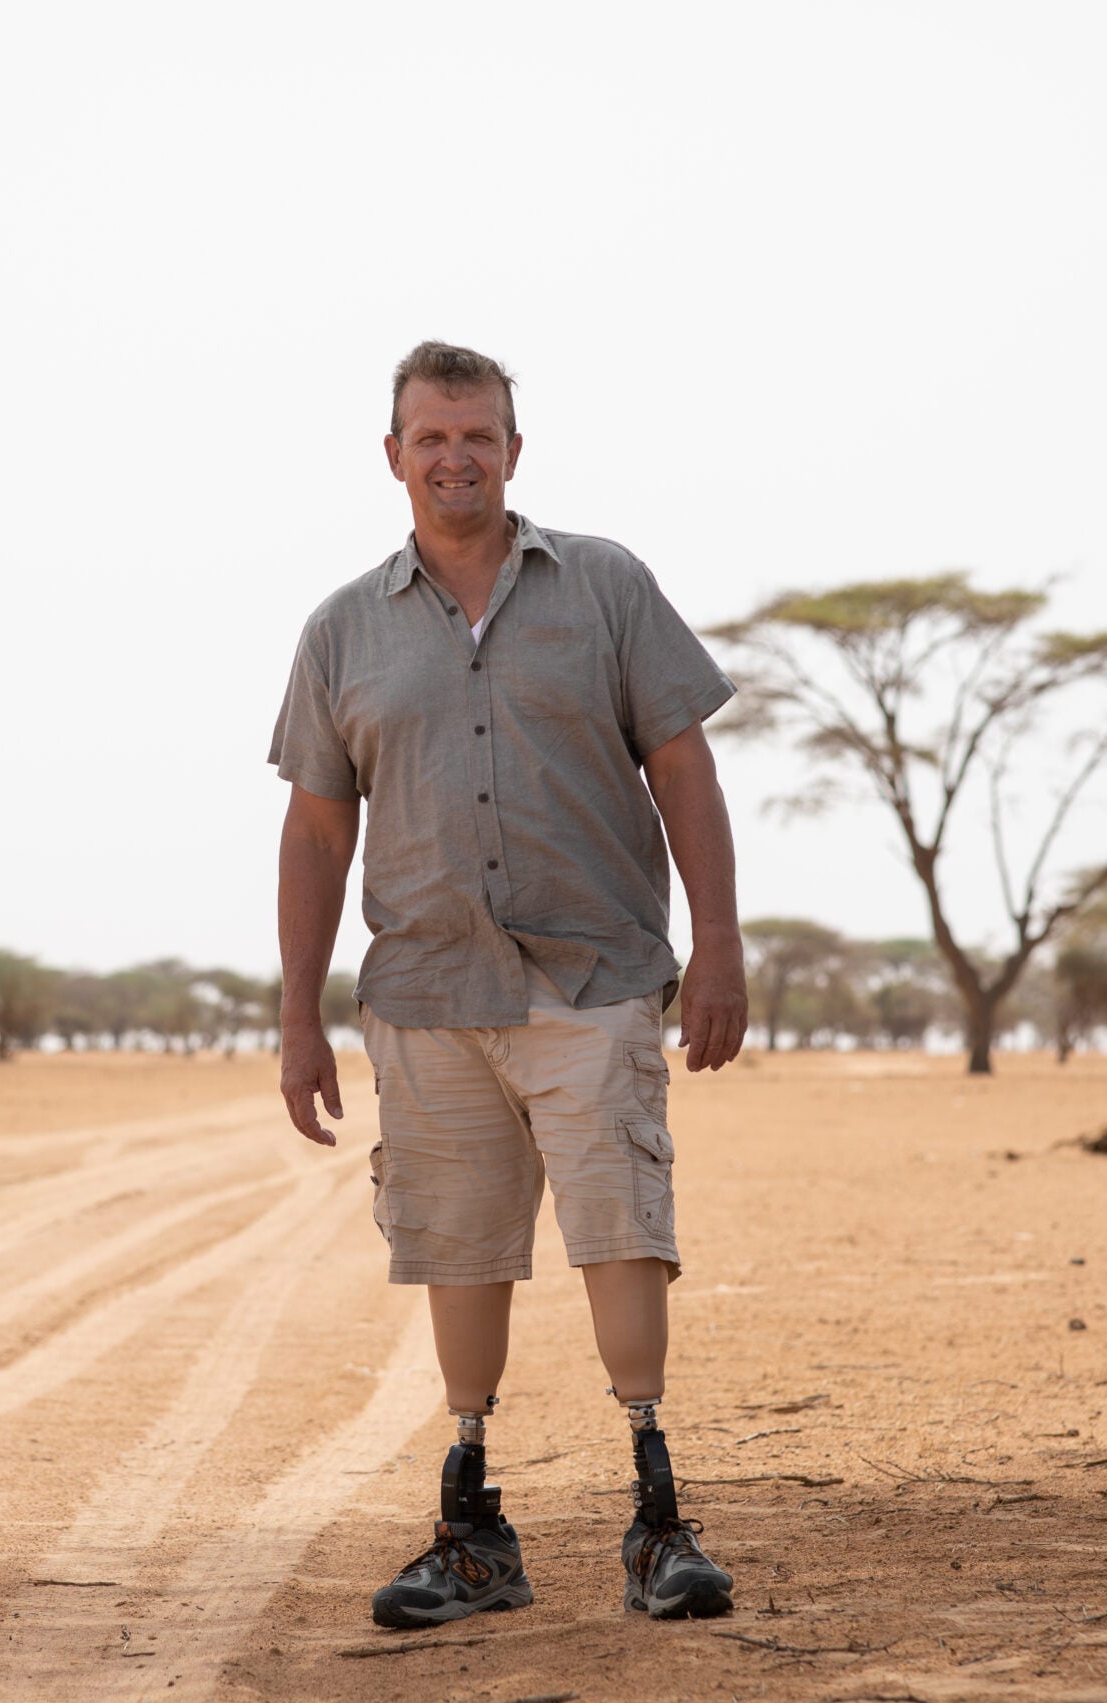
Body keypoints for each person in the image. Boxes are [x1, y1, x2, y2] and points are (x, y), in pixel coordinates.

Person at [271, 340, 749, 1628]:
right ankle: (473, 1530)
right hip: (424, 996)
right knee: (457, 1254)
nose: (455, 457)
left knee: (619, 1233)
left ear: (514, 451)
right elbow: (318, 831)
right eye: (431, 437)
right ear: (394, 456)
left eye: (478, 435)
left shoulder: (603, 586)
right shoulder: (342, 631)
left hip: (591, 977)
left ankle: (657, 1519)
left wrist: (719, 947)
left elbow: (685, 767)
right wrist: (298, 1016)